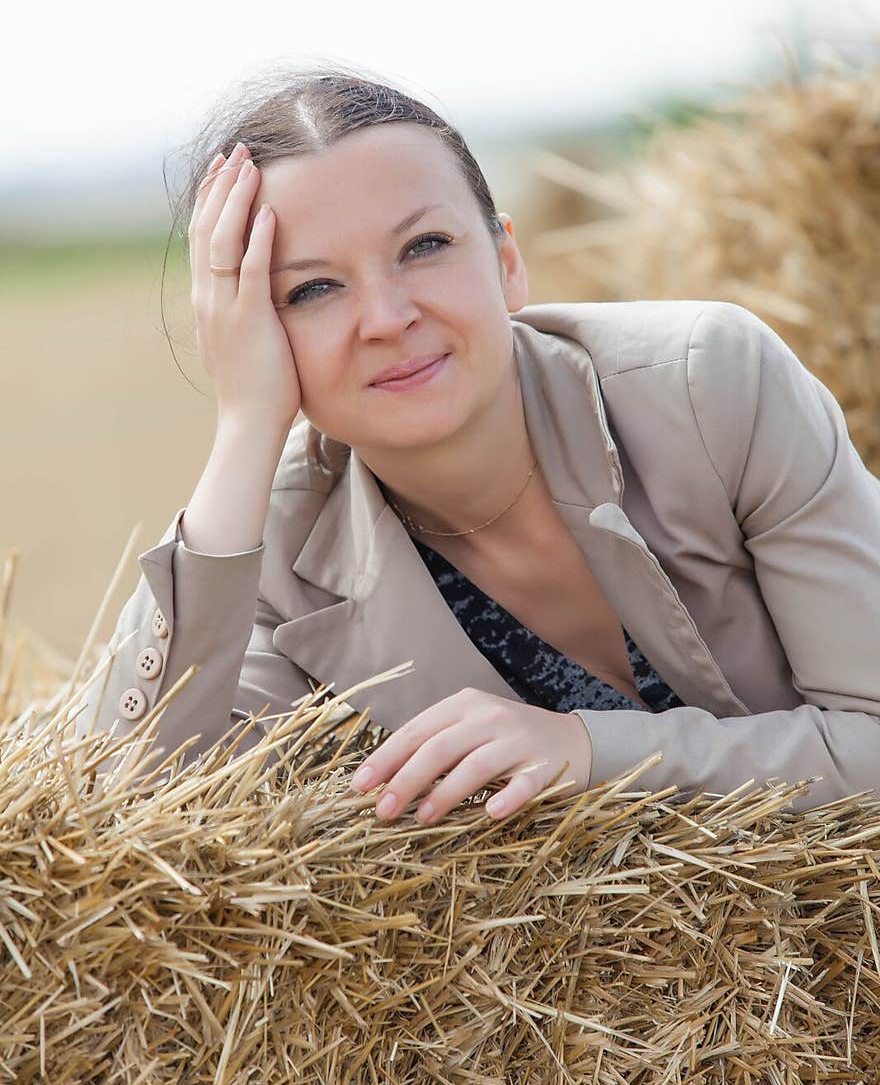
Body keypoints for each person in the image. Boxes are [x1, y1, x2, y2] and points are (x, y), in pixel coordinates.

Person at [73, 69, 880, 821]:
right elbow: (128, 824)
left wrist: (591, 752)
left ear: (507, 260)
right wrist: (247, 427)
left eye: (424, 246)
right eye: (312, 289)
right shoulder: (269, 555)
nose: (387, 317)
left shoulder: (709, 385)